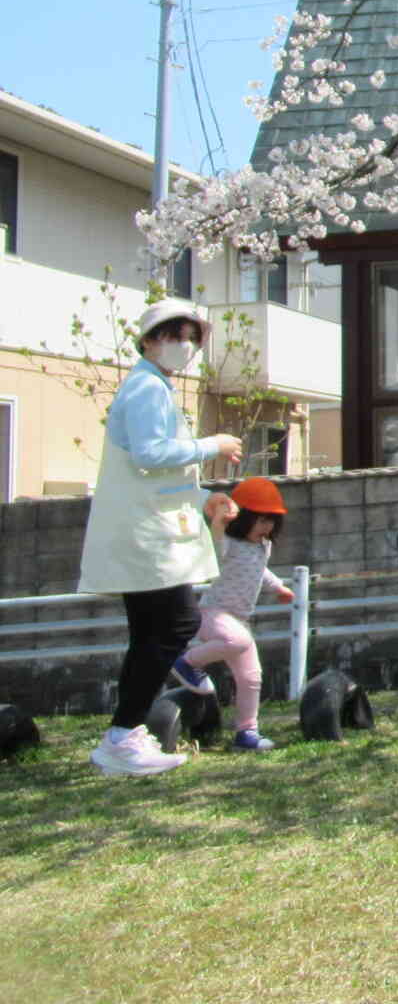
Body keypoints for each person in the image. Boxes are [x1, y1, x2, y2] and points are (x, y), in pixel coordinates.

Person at [77, 297, 243, 777]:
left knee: (150, 632)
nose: (184, 346)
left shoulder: (148, 387)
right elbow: (152, 452)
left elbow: (148, 470)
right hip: (149, 538)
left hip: (146, 531)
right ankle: (123, 734)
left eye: (191, 338)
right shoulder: (148, 389)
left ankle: (123, 735)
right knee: (175, 623)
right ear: (148, 340)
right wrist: (214, 444)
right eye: (173, 335)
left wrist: (201, 498)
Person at [172, 476, 295, 753]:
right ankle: (186, 663)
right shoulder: (228, 541)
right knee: (238, 641)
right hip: (212, 613)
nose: (267, 527)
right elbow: (213, 550)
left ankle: (246, 733)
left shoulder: (264, 546)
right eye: (261, 520)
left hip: (238, 620)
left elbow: (258, 571)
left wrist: (279, 587)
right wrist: (217, 523)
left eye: (271, 521)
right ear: (243, 519)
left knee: (252, 677)